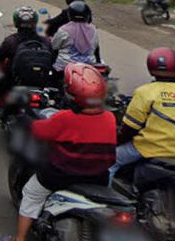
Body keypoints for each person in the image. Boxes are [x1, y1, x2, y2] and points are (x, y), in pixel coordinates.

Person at [6, 63, 116, 241]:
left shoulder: (65, 118)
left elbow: (38, 131)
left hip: (60, 176)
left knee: (31, 194)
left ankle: (19, 238)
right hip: (98, 178)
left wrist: (24, 118)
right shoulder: (109, 118)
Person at [110, 47, 175, 181]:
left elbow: (130, 129)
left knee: (110, 161)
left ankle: (104, 199)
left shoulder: (145, 92)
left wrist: (114, 141)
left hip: (147, 149)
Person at [0, 7, 54, 133]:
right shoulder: (45, 41)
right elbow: (52, 59)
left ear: (16, 22)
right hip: (41, 82)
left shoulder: (11, 41)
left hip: (14, 81)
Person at [51, 1, 99, 73]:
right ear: (87, 15)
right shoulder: (93, 30)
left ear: (70, 15)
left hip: (65, 66)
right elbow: (95, 47)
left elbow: (54, 46)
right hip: (88, 66)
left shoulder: (64, 30)